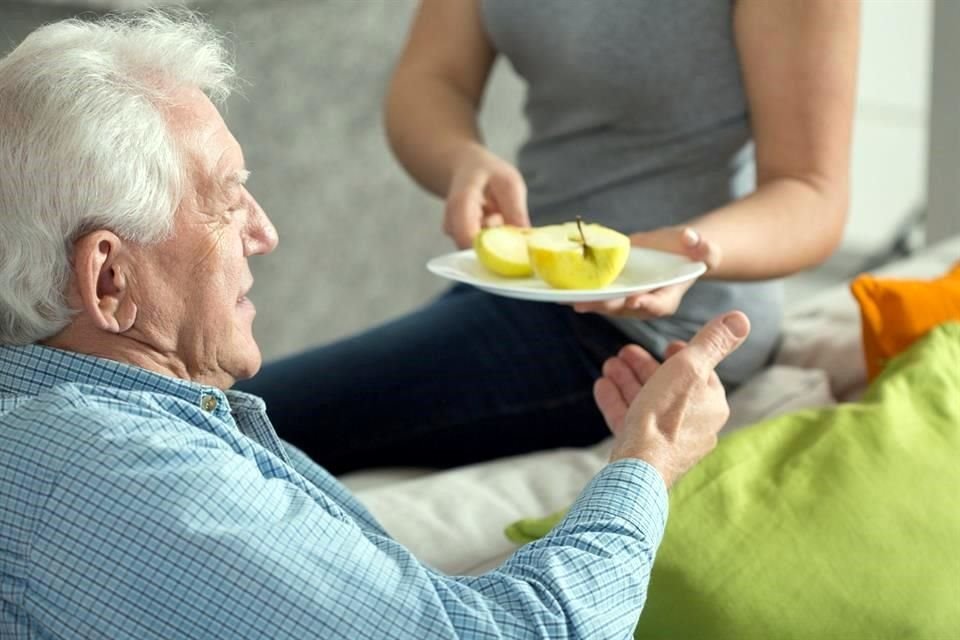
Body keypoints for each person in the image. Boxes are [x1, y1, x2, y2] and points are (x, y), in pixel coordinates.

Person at [0, 11, 752, 639]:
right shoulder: (138, 480)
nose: (264, 233)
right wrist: (649, 460)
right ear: (110, 279)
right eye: (226, 201)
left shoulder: (84, 423)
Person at [236, 0, 860, 475]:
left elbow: (811, 192)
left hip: (657, 331)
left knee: (240, 419)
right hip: (522, 289)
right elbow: (433, 79)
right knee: (220, 413)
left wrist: (688, 254)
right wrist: (461, 160)